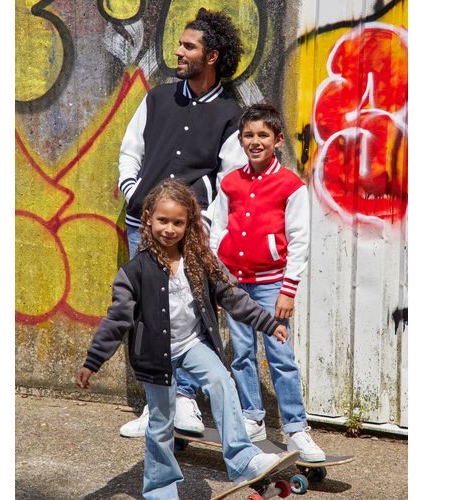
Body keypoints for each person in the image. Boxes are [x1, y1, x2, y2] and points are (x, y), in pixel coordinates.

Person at [76, 180, 287, 499]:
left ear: (189, 224)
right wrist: (93, 361)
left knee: (221, 382)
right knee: (161, 423)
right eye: (163, 220)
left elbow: (233, 297)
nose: (169, 229)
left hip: (192, 345)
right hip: (155, 355)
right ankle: (160, 489)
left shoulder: (200, 260)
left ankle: (243, 459)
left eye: (178, 222)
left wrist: (268, 323)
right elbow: (117, 320)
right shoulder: (134, 272)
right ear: (148, 217)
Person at [117, 8, 247, 437]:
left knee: (192, 312)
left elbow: (230, 178)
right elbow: (130, 151)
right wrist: (135, 194)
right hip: (142, 226)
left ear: (211, 57)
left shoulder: (230, 113)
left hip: (192, 233)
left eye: (188, 46)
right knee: (148, 316)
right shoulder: (157, 98)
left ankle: (187, 402)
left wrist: (206, 224)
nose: (178, 51)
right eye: (180, 44)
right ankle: (157, 407)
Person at [210, 104, 326, 462]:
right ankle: (252, 418)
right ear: (240, 140)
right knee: (241, 353)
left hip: (272, 285)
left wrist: (288, 290)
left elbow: (299, 240)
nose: (255, 141)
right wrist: (219, 278)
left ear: (277, 140)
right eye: (248, 135)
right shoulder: (230, 182)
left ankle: (296, 429)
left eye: (263, 135)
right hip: (235, 285)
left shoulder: (290, 186)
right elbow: (216, 229)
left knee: (280, 356)